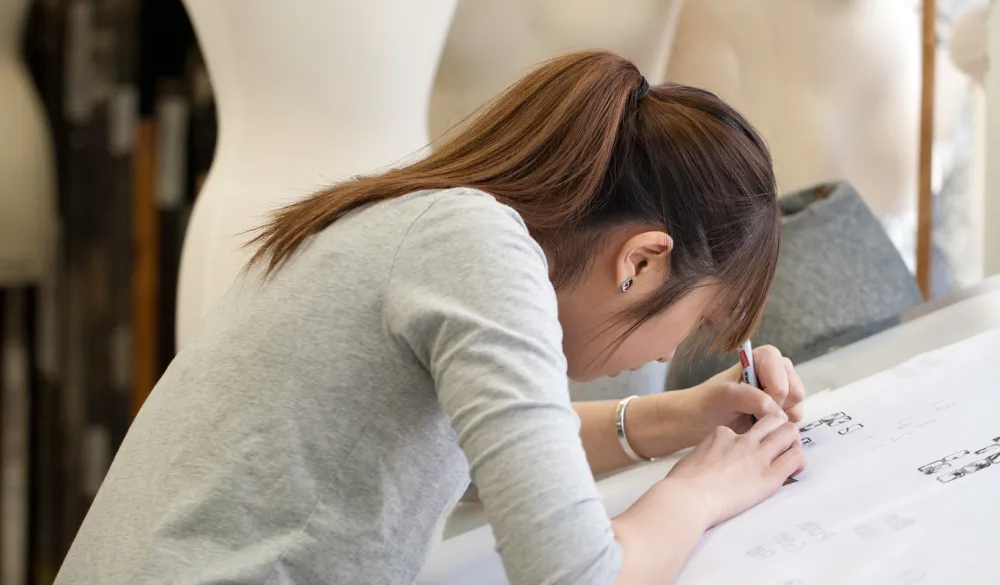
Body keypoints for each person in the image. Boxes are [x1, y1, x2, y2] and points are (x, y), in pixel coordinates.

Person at [55, 50, 805, 585]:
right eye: (700, 323)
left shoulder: (426, 225)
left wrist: (683, 419)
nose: (683, 346)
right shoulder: (478, 249)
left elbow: (468, 461)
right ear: (641, 260)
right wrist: (703, 490)